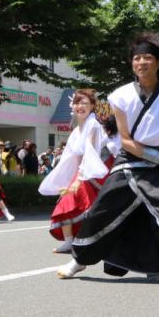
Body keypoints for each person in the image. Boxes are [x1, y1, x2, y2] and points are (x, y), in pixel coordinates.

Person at [57, 32, 159, 289]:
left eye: (148, 57)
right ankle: (80, 259)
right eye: (137, 58)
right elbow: (125, 140)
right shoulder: (120, 95)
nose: (141, 62)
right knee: (101, 212)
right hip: (130, 161)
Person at [39, 89, 107, 253]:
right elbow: (70, 157)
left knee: (92, 209)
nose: (80, 106)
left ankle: (94, 240)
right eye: (77, 103)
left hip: (93, 172)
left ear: (92, 106)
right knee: (67, 203)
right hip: (81, 172)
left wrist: (79, 178)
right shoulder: (77, 130)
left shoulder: (93, 124)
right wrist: (66, 178)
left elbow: (91, 153)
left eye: (84, 103)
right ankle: (70, 241)